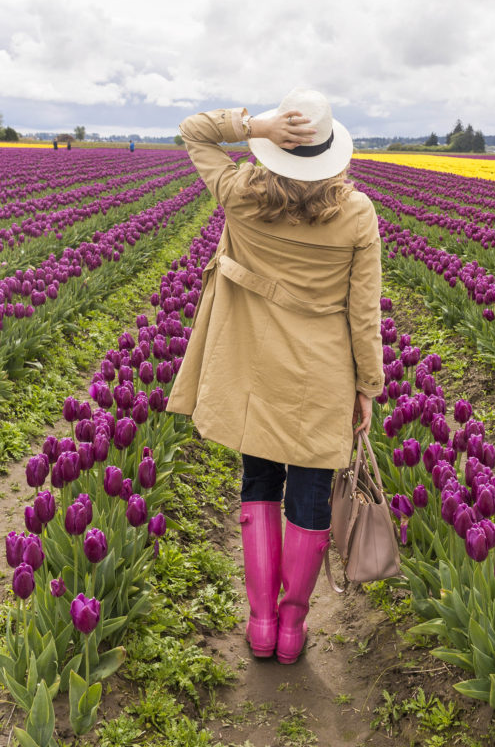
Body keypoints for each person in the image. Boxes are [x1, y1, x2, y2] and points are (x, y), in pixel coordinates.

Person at [166, 89, 384, 664]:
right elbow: (364, 314)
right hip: (322, 373)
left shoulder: (241, 196)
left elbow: (193, 129)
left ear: (275, 149)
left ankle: (260, 624)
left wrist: (253, 124)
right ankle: (291, 629)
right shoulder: (357, 213)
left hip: (252, 365)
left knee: (259, 481)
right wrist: (368, 387)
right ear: (334, 152)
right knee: (310, 493)